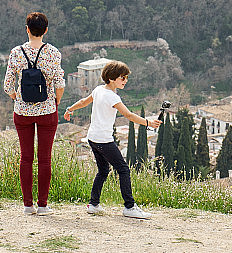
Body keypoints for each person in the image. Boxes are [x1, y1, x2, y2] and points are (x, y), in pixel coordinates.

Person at [64, 61, 161, 219]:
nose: (125, 81)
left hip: (93, 138)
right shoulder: (111, 96)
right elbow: (128, 115)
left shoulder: (98, 90)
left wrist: (70, 109)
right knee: (123, 169)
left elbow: (83, 102)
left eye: (126, 78)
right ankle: (129, 207)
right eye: (122, 78)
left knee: (103, 171)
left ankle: (93, 204)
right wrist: (148, 122)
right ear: (111, 78)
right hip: (103, 140)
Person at [3, 12, 65, 215]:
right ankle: (43, 205)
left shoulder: (16, 52)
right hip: (47, 111)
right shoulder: (53, 53)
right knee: (45, 158)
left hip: (22, 112)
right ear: (46, 30)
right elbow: (60, 84)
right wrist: (55, 101)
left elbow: (7, 85)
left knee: (26, 158)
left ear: (27, 29)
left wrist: (16, 96)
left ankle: (27, 205)